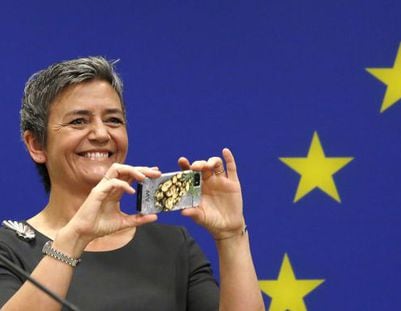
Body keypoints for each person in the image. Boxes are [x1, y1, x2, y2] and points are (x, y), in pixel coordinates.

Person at [0, 57, 264, 310]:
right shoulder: (8, 250)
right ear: (36, 144)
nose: (102, 134)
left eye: (113, 120)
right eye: (78, 121)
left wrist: (231, 236)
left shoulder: (173, 246)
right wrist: (75, 237)